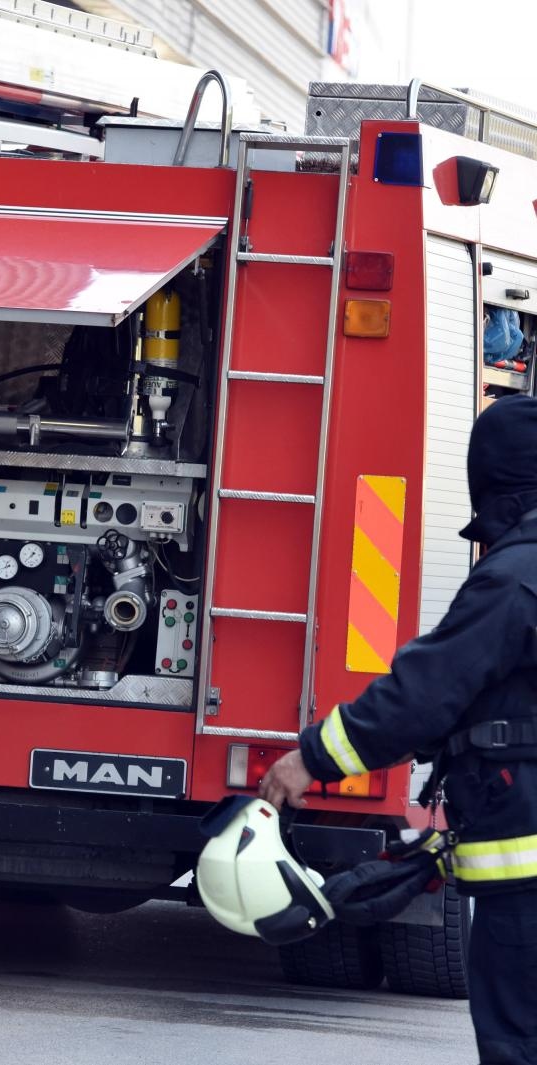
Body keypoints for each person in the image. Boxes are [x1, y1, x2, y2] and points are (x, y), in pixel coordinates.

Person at [261, 394, 537, 1065]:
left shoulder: (513, 580)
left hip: (526, 879)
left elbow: (423, 694)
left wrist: (310, 757)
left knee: (518, 1044)